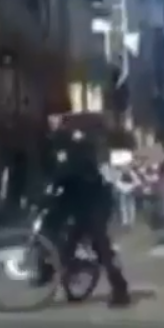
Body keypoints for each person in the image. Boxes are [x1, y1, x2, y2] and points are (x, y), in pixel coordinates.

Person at [38, 126, 131, 307]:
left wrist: (50, 192)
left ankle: (121, 290)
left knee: (102, 247)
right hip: (80, 206)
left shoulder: (78, 155)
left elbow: (64, 177)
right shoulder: (66, 157)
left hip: (96, 205)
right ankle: (61, 276)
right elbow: (61, 183)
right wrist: (46, 198)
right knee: (65, 243)